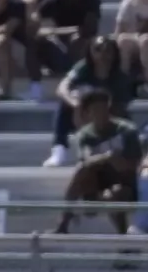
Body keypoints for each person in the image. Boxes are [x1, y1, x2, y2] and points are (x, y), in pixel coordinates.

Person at [56, 89, 142, 235]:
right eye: (95, 110)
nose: (101, 113)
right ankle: (63, 224)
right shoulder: (85, 135)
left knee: (115, 193)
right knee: (81, 170)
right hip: (97, 182)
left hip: (126, 183)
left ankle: (123, 237)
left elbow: (135, 165)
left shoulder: (127, 131)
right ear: (87, 113)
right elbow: (86, 161)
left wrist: (121, 164)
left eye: (104, 108)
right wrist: (107, 157)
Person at [49, 36, 136, 167]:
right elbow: (62, 88)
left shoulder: (120, 78)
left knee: (126, 122)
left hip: (109, 119)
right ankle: (59, 149)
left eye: (108, 50)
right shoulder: (83, 68)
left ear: (114, 53)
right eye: (98, 49)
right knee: (64, 104)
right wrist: (76, 102)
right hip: (83, 115)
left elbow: (122, 106)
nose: (103, 54)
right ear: (90, 52)